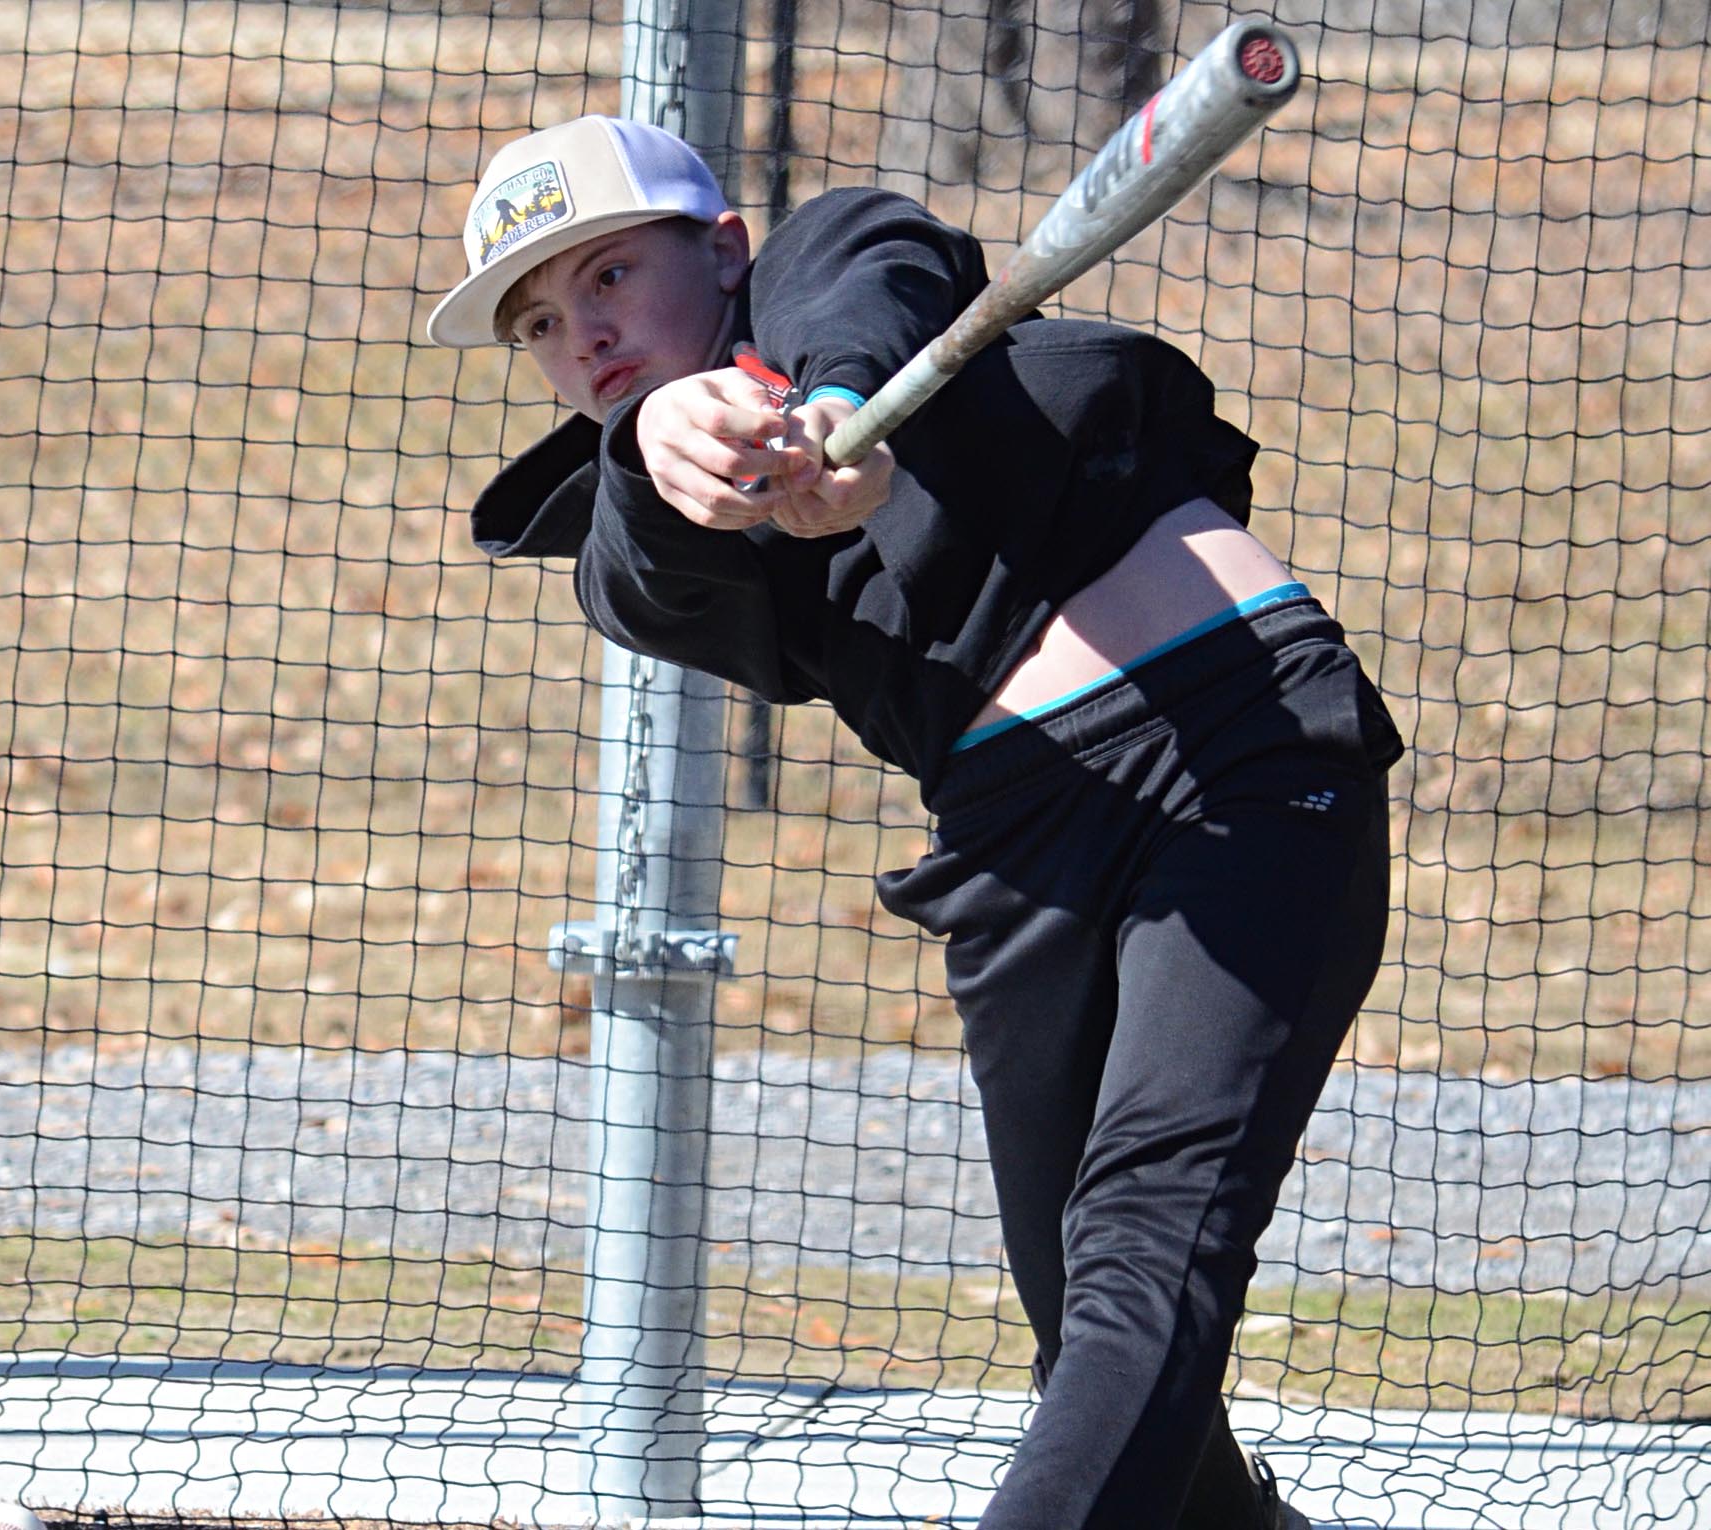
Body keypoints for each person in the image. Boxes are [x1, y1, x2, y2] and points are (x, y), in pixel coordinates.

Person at [428, 114, 1398, 1530]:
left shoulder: (829, 259)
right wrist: (657, 441)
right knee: (1088, 1318)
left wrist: (835, 410)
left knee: (1145, 1252)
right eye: (539, 320)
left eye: (610, 276)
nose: (581, 330)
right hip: (1015, 848)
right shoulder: (626, 553)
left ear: (721, 250)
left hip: (1237, 757)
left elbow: (875, 280)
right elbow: (653, 552)